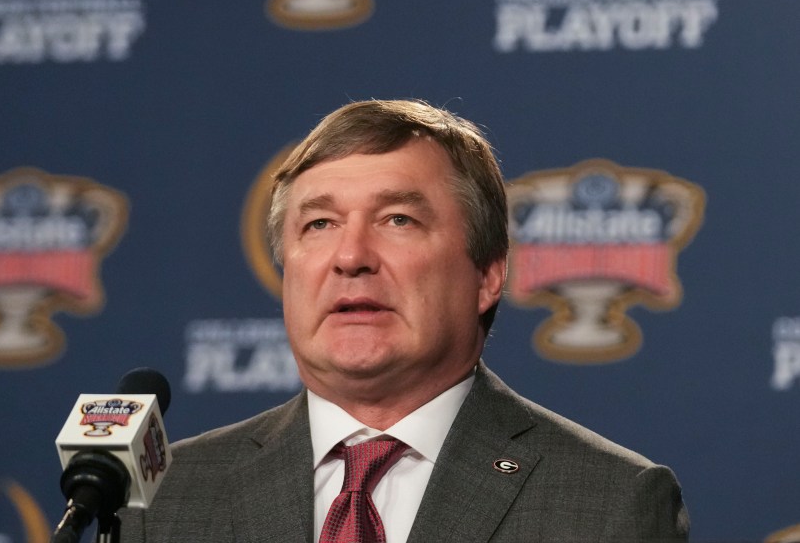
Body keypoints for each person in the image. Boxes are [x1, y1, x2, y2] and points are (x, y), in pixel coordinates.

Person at [120, 99, 689, 542]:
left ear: (488, 275)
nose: (351, 256)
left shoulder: (606, 504)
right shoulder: (166, 499)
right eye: (319, 225)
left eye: (397, 219)